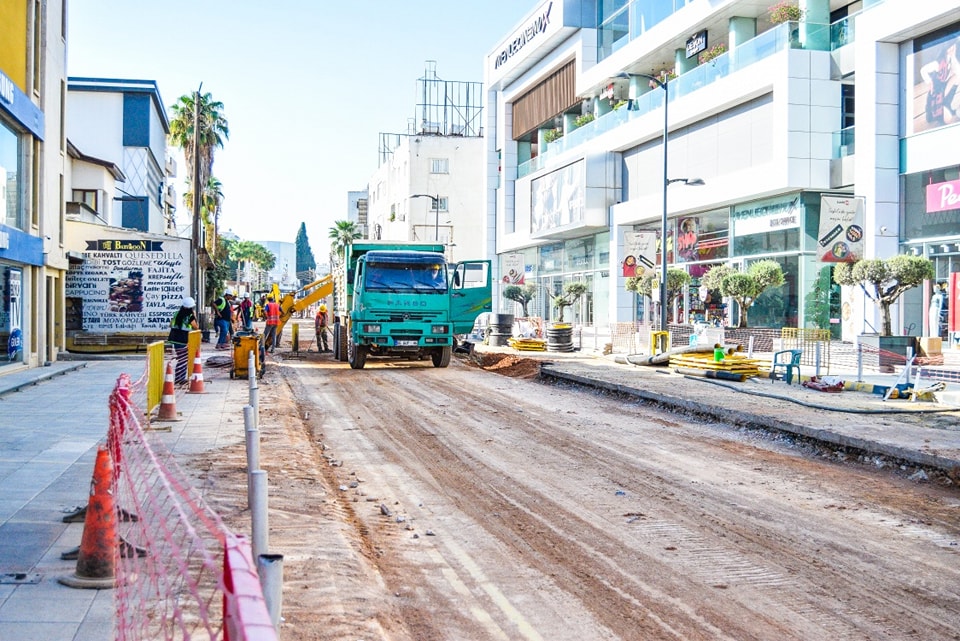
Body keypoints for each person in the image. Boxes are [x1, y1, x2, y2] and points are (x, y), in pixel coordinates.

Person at [167, 297, 199, 384]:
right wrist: (195, 317)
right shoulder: (190, 316)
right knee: (183, 360)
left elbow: (170, 324)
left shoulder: (177, 313)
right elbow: (196, 327)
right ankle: (180, 379)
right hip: (183, 340)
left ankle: (179, 377)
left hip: (175, 339)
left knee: (181, 359)